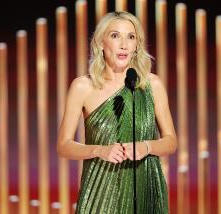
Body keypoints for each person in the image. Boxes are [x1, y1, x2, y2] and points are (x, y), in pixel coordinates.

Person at [57, 11, 177, 213]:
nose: (124, 44)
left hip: (146, 190)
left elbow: (171, 141)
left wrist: (146, 146)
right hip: (100, 191)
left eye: (131, 37)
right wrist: (98, 150)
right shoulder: (83, 87)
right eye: (115, 36)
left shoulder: (152, 85)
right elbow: (63, 146)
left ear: (137, 44)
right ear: (101, 42)